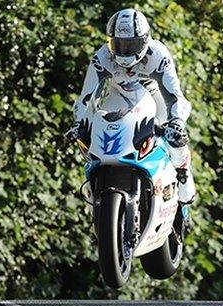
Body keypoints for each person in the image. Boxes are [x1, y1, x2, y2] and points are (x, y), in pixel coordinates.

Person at [66, 8, 195, 204]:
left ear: (144, 40)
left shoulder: (158, 55)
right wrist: (78, 123)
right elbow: (86, 97)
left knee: (175, 137)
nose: (124, 51)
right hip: (120, 96)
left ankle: (184, 177)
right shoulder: (102, 57)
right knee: (92, 138)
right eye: (118, 44)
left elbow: (176, 97)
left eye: (131, 45)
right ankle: (97, 196)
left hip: (154, 97)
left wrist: (176, 121)